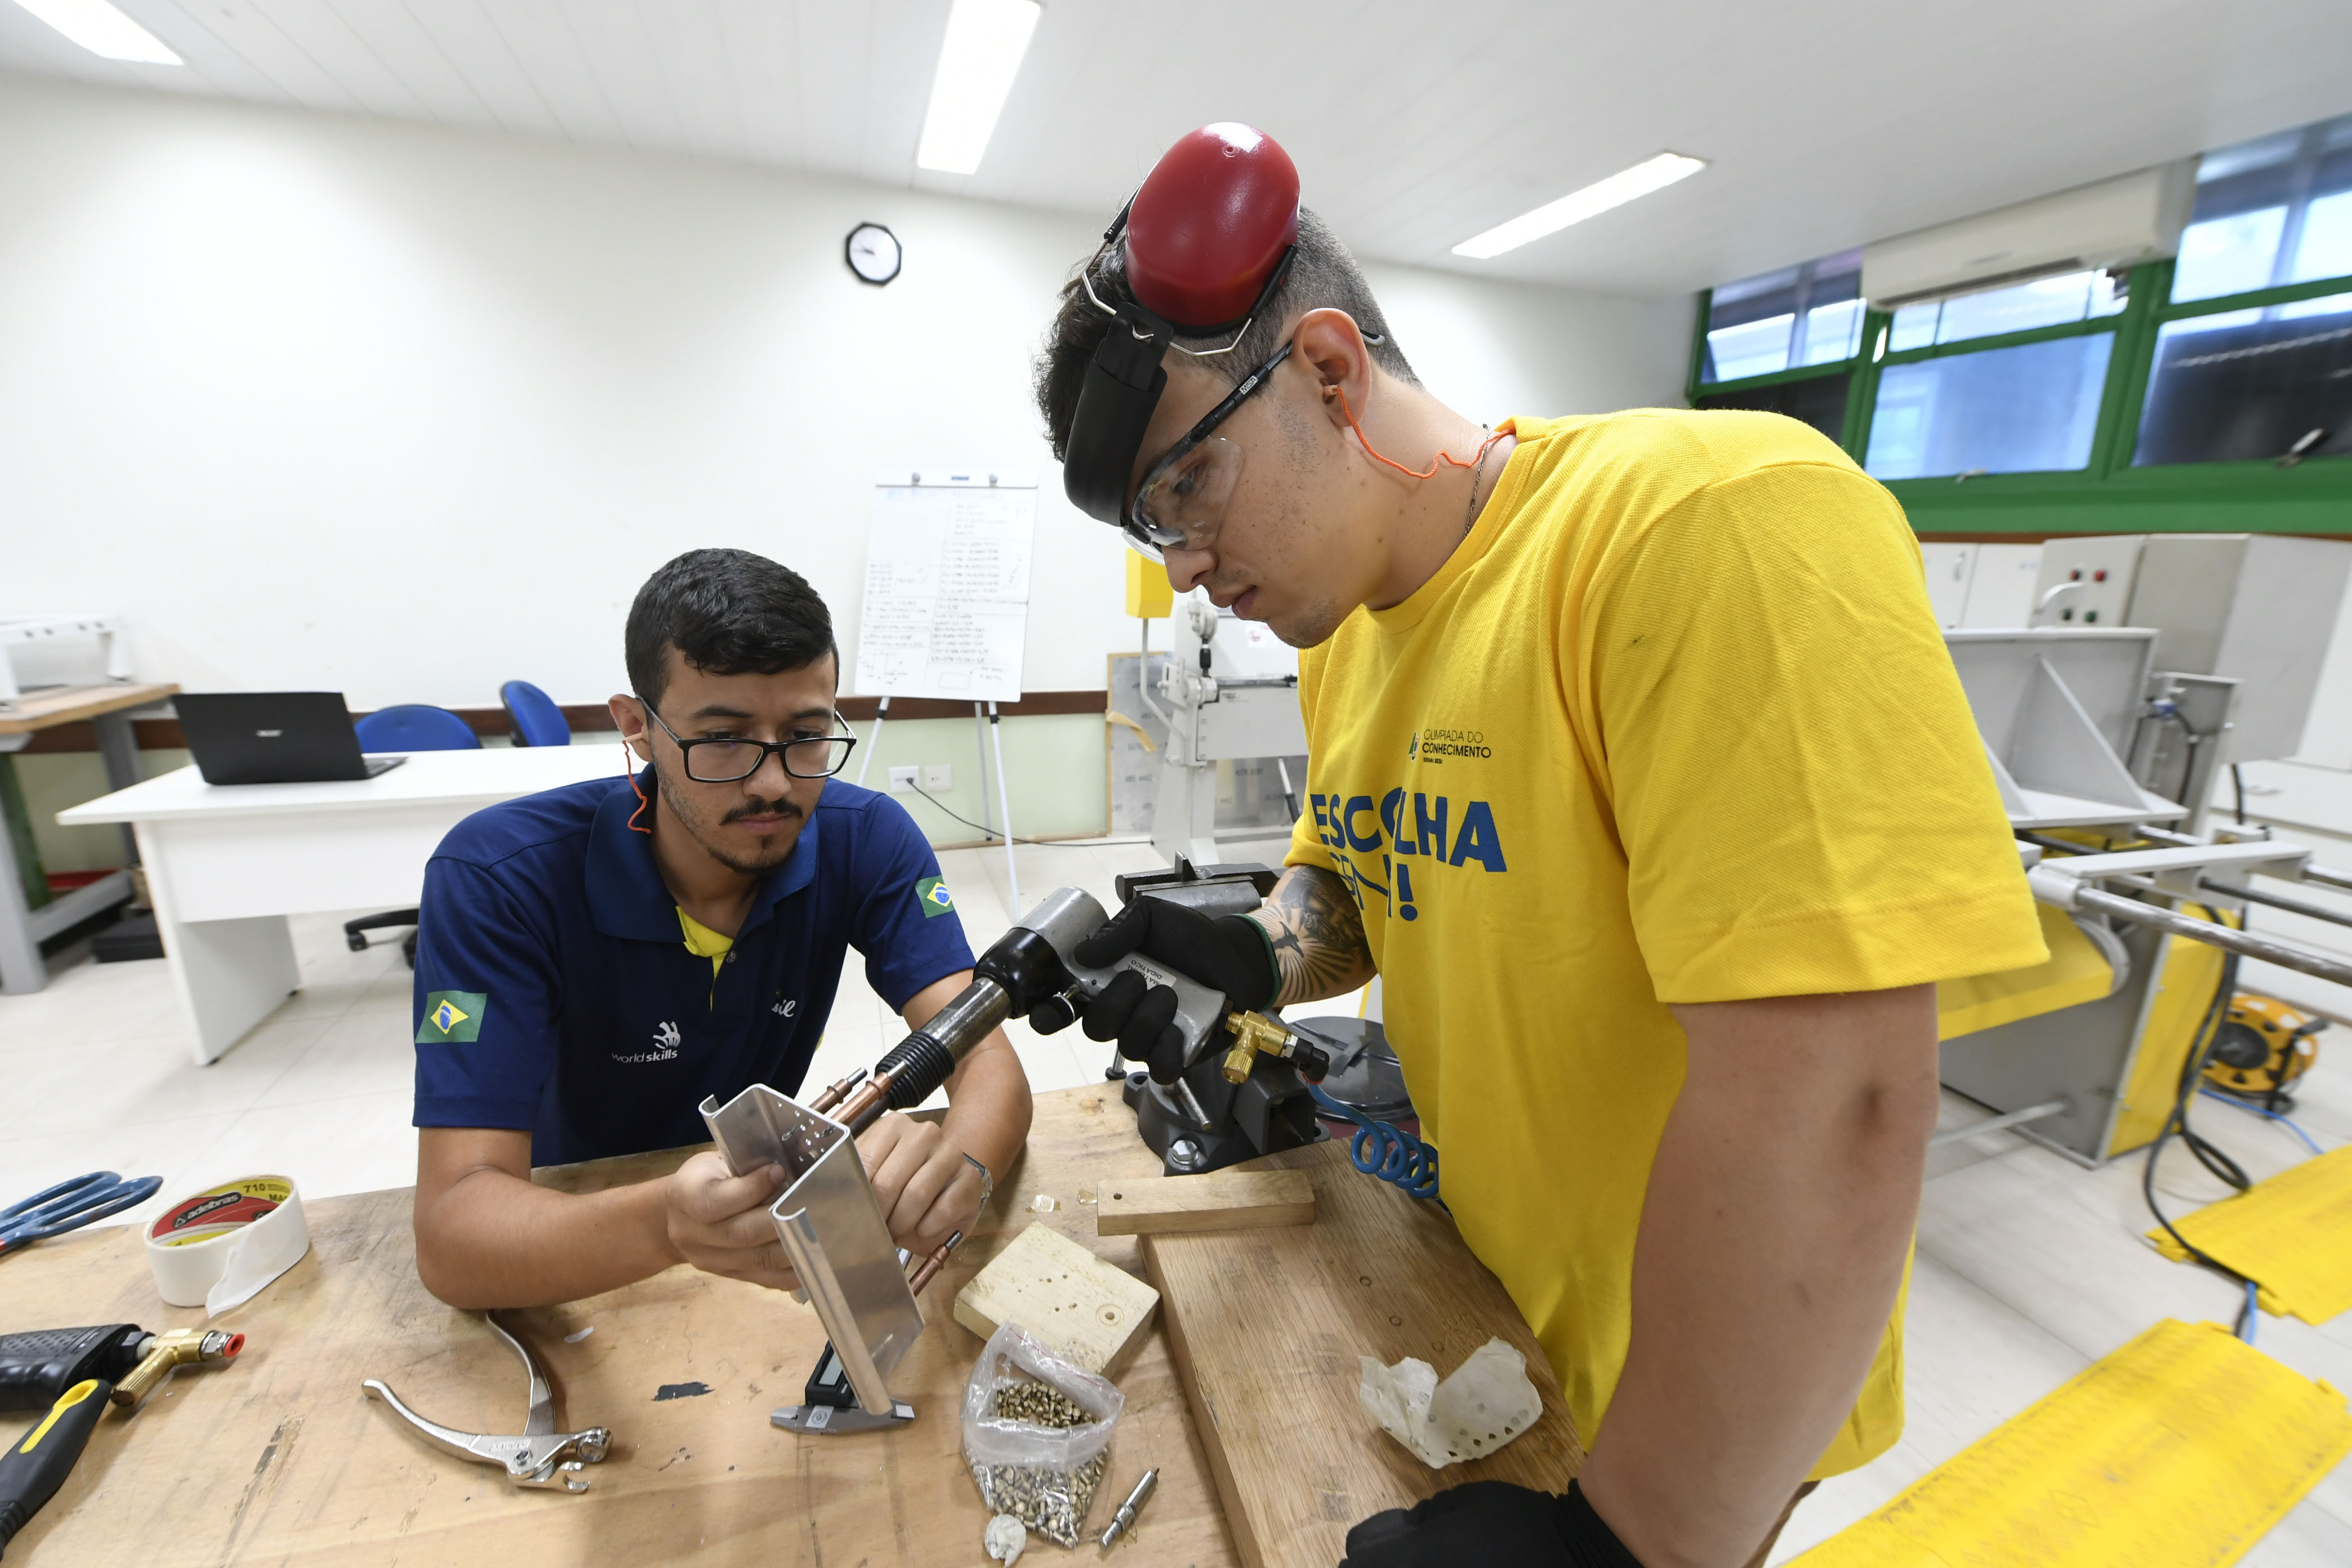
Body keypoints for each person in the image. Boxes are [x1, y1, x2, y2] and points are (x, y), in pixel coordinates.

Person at [1036, 128, 2045, 1568]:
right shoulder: (1346, 635)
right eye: (1151, 527)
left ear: (1328, 372)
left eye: (1188, 487)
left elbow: (1842, 1099)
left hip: (1698, 1384)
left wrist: (1625, 1543)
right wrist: (1256, 950)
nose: (1183, 565)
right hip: (1489, 1293)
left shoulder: (1706, 523)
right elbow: (1360, 881)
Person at [408, 548, 1032, 1308]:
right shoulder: (499, 877)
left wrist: (961, 1168)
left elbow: (985, 1056)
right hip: (569, 1241)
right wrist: (668, 1224)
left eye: (805, 734)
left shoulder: (864, 837)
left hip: (752, 1252)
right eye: (724, 739)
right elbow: (453, 1238)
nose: (773, 783)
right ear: (638, 728)